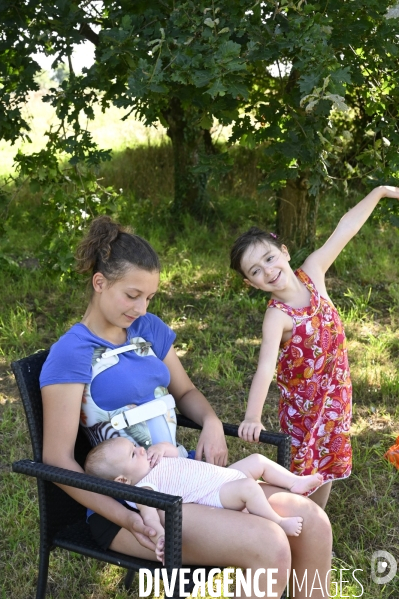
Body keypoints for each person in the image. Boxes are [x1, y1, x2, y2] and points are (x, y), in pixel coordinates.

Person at [40, 215, 332, 598]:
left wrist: (210, 420)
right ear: (99, 284)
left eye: (149, 297)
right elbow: (58, 461)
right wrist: (130, 518)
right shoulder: (71, 354)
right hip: (138, 505)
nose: (141, 308)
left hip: (188, 477)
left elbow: (186, 392)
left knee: (312, 519)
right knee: (269, 543)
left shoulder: (148, 329)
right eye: (132, 295)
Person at [230, 185, 399, 510]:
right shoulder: (276, 316)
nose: (268, 270)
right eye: (256, 271)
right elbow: (265, 368)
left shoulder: (314, 272)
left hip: (337, 400)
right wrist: (252, 416)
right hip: (305, 413)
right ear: (251, 283)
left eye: (269, 258)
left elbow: (345, 228)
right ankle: (280, 521)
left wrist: (381, 192)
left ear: (285, 251)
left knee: (329, 469)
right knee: (305, 473)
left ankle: (314, 524)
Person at [84, 437, 325, 558]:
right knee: (250, 488)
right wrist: (160, 539)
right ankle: (279, 522)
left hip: (221, 475)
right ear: (123, 481)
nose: (140, 449)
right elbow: (151, 519)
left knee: (258, 461)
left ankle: (295, 481)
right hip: (215, 493)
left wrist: (161, 448)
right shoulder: (144, 489)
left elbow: (171, 449)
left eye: (135, 445)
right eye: (132, 454)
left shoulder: (153, 460)